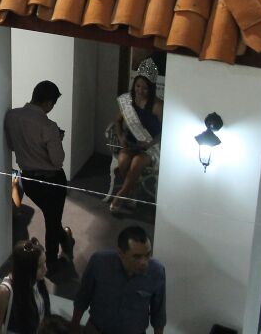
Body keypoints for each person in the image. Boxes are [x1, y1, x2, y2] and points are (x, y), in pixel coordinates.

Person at [3, 81, 75, 272]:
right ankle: (51, 261)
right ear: (49, 102)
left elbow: (11, 145)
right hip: (52, 180)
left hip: (29, 181)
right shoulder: (48, 126)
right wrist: (58, 139)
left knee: (52, 216)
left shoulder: (12, 116)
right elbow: (57, 160)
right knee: (52, 220)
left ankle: (65, 238)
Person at [71, 227, 166, 334]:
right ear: (120, 253)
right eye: (137, 257)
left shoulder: (156, 272)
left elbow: (158, 315)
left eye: (147, 255)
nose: (144, 262)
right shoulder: (99, 263)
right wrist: (74, 327)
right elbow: (83, 298)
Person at [110, 68, 163, 214]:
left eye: (145, 88)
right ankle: (133, 190)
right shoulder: (128, 102)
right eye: (138, 86)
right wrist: (121, 136)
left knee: (136, 163)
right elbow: (117, 121)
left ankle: (121, 195)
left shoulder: (157, 105)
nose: (140, 90)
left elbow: (165, 131)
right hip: (132, 142)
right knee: (122, 161)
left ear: (151, 88)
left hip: (151, 145)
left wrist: (149, 143)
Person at [0, 239, 50, 334]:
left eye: (45, 262)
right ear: (26, 268)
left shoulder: (38, 281)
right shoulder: (5, 291)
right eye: (39, 266)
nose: (45, 269)